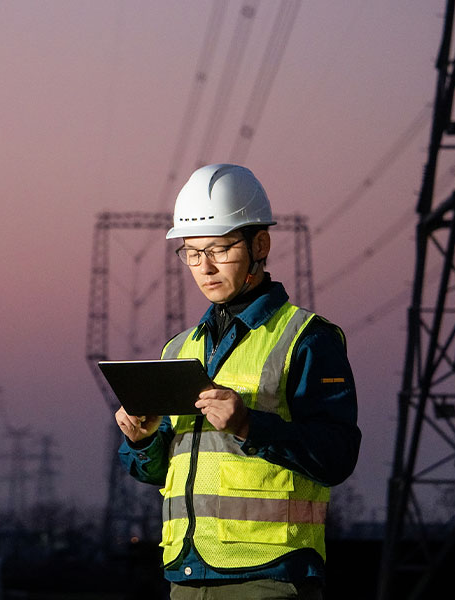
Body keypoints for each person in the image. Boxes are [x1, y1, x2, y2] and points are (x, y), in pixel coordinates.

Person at [114, 164, 360, 599]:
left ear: (259, 244)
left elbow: (337, 457)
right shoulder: (179, 349)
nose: (204, 267)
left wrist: (249, 425)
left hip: (270, 578)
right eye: (191, 253)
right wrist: (142, 439)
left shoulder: (308, 339)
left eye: (220, 250)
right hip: (186, 577)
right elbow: (153, 471)